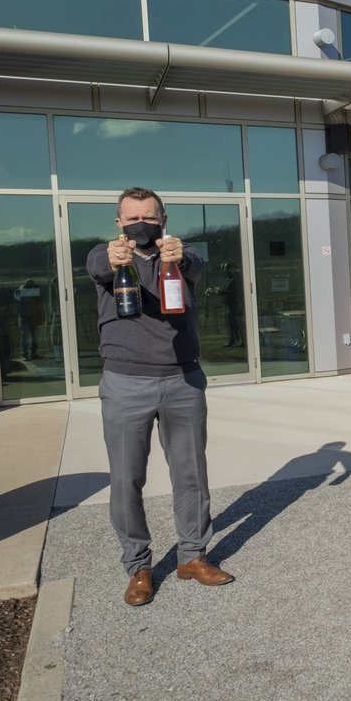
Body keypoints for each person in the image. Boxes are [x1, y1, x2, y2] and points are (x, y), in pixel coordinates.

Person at [86, 187, 234, 607]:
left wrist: (180, 257)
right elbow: (98, 265)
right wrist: (114, 258)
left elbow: (196, 269)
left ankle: (192, 556)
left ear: (163, 219)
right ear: (119, 223)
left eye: (148, 218)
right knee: (127, 479)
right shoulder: (108, 256)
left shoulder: (181, 259)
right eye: (132, 218)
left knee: (191, 475)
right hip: (125, 382)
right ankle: (139, 566)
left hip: (182, 381)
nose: (140, 225)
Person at [208, 262, 242, 347]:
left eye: (225, 269)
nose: (224, 271)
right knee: (231, 323)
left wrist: (221, 292)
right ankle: (232, 340)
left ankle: (239, 340)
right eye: (224, 269)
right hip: (230, 305)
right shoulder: (228, 279)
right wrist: (217, 292)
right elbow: (227, 291)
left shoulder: (235, 279)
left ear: (231, 269)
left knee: (235, 323)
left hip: (235, 305)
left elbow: (233, 292)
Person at [13, 278, 42, 360]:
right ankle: (24, 354)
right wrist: (31, 292)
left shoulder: (31, 292)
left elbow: (38, 300)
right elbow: (22, 299)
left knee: (35, 337)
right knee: (25, 337)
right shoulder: (19, 292)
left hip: (32, 316)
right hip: (23, 317)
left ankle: (34, 353)